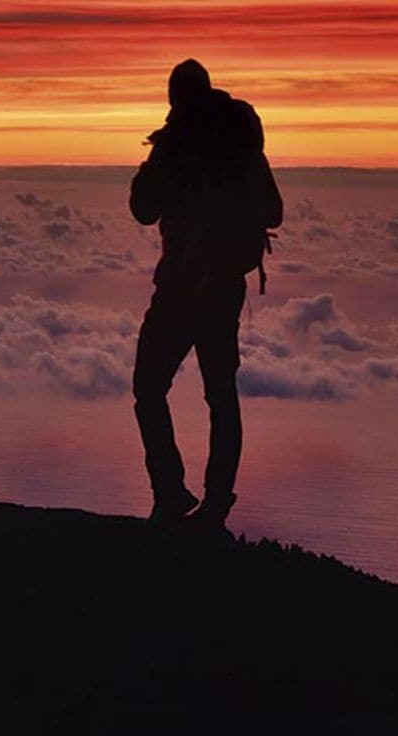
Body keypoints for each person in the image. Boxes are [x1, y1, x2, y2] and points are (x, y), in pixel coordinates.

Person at [128, 58, 281, 530]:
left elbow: (142, 210)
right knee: (221, 395)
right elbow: (273, 211)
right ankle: (215, 503)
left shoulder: (174, 142)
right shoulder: (239, 143)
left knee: (149, 387)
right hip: (223, 289)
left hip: (179, 286)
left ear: (175, 96)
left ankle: (170, 492)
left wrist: (151, 168)